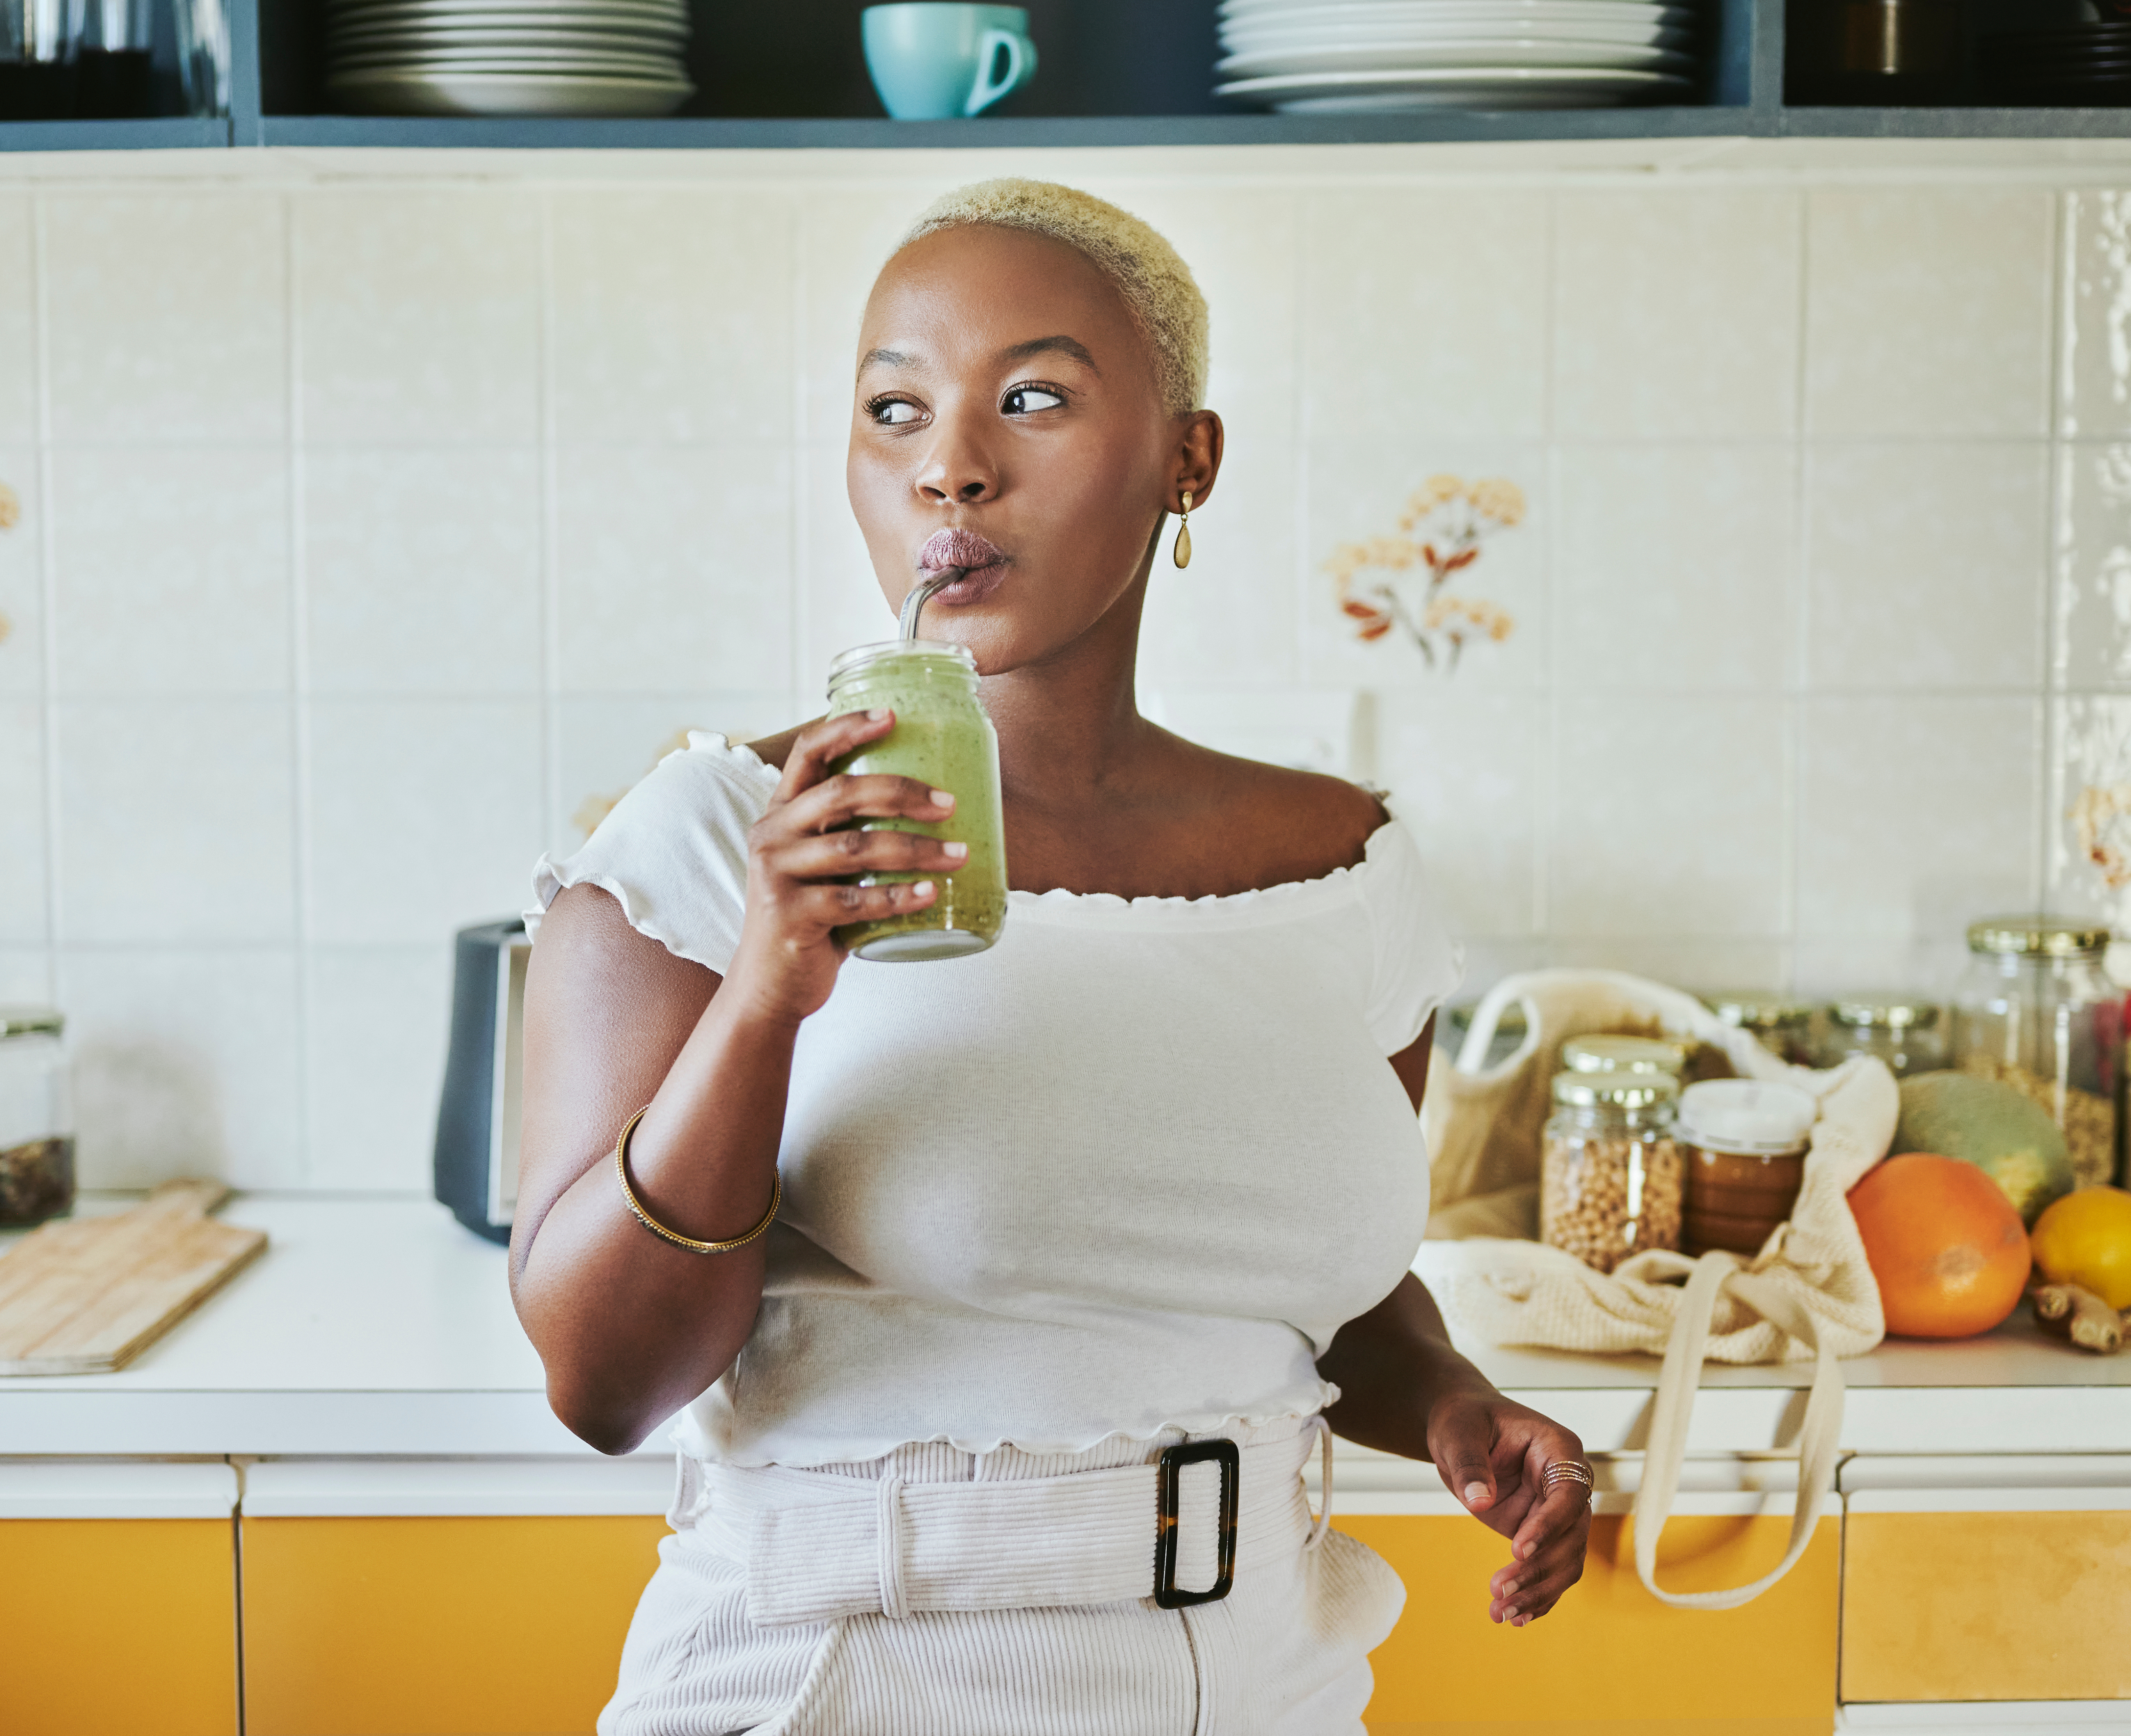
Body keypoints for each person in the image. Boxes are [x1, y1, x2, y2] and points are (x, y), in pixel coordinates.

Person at [515, 177, 1592, 1735]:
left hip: (1270, 1681)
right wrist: (765, 994)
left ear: (1186, 459)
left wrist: (1448, 1401)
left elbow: (1311, 1298)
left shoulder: (1339, 866)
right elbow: (603, 1385)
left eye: (1031, 399)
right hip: (850, 1681)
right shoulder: (718, 838)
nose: (948, 468)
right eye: (893, 410)